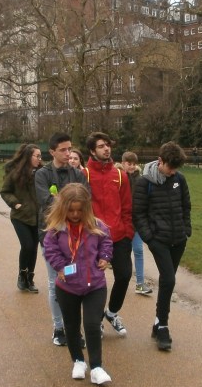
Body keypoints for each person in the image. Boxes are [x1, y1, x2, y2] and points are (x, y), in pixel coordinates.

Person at [42, 183, 114, 385]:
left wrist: (105, 257)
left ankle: (97, 367)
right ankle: (78, 361)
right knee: (71, 326)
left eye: (79, 210)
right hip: (68, 286)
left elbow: (107, 242)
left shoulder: (96, 225)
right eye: (71, 210)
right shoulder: (56, 230)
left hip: (95, 285)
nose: (75, 215)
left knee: (92, 324)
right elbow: (50, 250)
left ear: (86, 208)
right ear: (63, 208)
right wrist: (60, 266)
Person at [132, 141, 192, 351]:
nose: (172, 172)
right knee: (169, 279)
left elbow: (186, 206)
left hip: (179, 239)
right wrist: (149, 237)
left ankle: (158, 323)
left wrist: (186, 229)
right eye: (170, 167)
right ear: (160, 161)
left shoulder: (179, 179)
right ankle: (164, 326)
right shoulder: (144, 183)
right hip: (159, 240)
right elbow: (138, 214)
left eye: (176, 168)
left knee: (167, 282)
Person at [36, 132, 88, 346]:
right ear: (52, 152)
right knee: (56, 282)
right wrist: (71, 202)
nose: (68, 153)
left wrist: (62, 200)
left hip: (78, 237)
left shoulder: (78, 174)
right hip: (53, 237)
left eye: (70, 149)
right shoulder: (42, 175)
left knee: (77, 280)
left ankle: (74, 328)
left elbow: (85, 200)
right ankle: (58, 328)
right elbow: (46, 202)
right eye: (63, 150)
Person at [83, 132, 131, 337]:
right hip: (92, 237)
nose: (106, 149)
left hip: (118, 236)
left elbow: (127, 207)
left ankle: (111, 313)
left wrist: (128, 232)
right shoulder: (84, 174)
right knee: (94, 282)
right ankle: (96, 320)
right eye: (101, 146)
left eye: (108, 145)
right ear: (92, 151)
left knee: (124, 275)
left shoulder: (120, 175)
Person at [0, 144, 43, 293]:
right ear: (28, 157)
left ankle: (30, 278)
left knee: (34, 247)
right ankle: (22, 275)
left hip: (37, 217)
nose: (39, 158)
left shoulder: (42, 173)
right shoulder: (15, 173)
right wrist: (16, 204)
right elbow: (5, 191)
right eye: (37, 156)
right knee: (27, 245)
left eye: (40, 156)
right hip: (20, 216)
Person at [121, 152, 153, 297]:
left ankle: (140, 283)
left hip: (136, 221)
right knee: (123, 253)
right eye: (129, 163)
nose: (132, 166)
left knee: (138, 250)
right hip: (122, 222)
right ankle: (121, 281)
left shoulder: (140, 180)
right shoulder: (118, 178)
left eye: (134, 164)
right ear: (123, 163)